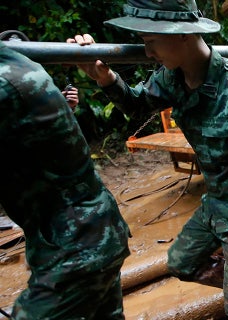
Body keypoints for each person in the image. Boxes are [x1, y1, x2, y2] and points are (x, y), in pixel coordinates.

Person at [68, 0, 228, 318]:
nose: (148, 53)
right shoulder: (170, 79)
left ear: (183, 34)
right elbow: (139, 105)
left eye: (151, 42)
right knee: (181, 263)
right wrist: (104, 78)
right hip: (215, 202)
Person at [0, 42, 130, 319]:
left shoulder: (6, 80)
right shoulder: (19, 67)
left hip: (76, 242)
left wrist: (105, 78)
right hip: (85, 232)